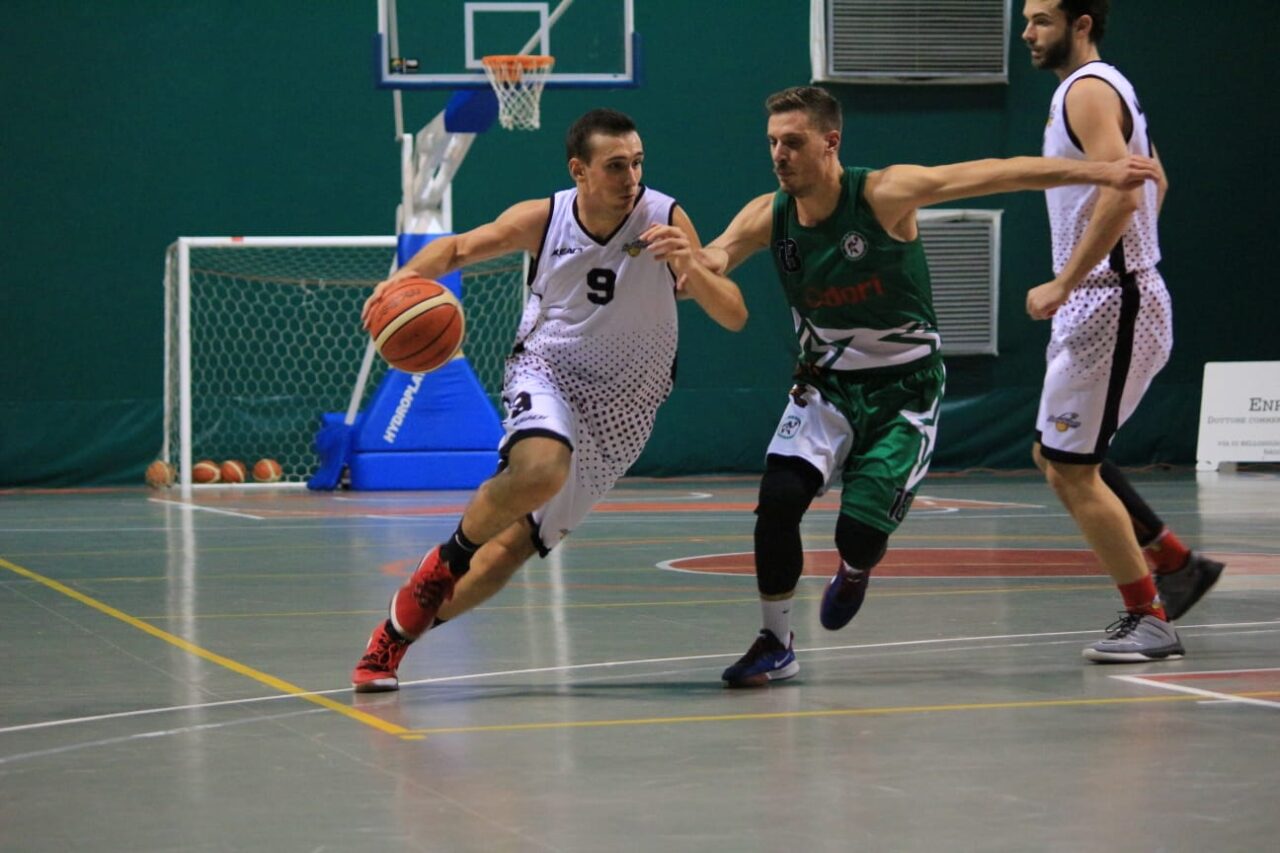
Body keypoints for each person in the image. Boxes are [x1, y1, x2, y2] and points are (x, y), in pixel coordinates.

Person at [699, 85, 1161, 687]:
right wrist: (684, 260)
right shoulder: (770, 214)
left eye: (792, 142)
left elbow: (995, 174)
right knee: (778, 502)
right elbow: (717, 257)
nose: (779, 155)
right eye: (772, 143)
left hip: (904, 392)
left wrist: (1100, 169)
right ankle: (774, 640)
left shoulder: (884, 193)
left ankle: (857, 568)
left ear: (830, 142)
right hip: (824, 388)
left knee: (856, 535)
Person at [350, 108, 747, 692]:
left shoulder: (664, 217)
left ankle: (394, 636)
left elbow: (733, 313)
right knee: (540, 468)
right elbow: (458, 249)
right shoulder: (546, 217)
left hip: (626, 412)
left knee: (509, 552)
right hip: (549, 370)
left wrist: (691, 264)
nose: (631, 177)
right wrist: (401, 280)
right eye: (615, 166)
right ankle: (446, 561)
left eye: (637, 163)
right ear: (579, 171)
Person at [1022, 0, 1223, 663]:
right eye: (1026, 19)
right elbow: (1152, 177)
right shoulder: (1098, 90)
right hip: (1110, 297)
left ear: (1082, 24)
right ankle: (1173, 560)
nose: (1028, 32)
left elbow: (1127, 193)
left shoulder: (1087, 92)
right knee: (1057, 457)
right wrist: (1121, 253)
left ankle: (1151, 615)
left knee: (1073, 469)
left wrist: (1072, 277)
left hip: (1112, 304)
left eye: (1042, 19)